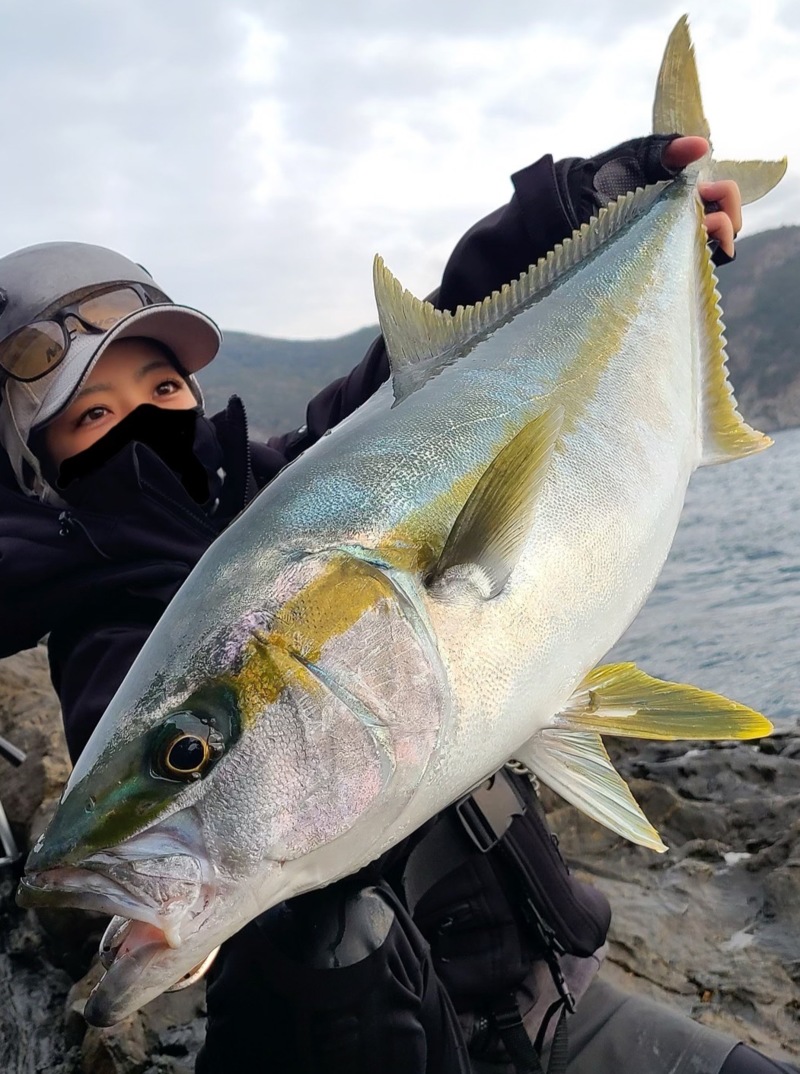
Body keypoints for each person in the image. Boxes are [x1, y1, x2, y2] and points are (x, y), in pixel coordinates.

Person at [0, 133, 793, 1074]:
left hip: (560, 990)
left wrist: (596, 203)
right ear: (36, 472)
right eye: (93, 413)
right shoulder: (113, 628)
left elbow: (439, 358)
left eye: (163, 385)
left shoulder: (305, 483)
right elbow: (192, 778)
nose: (145, 420)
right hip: (399, 1040)